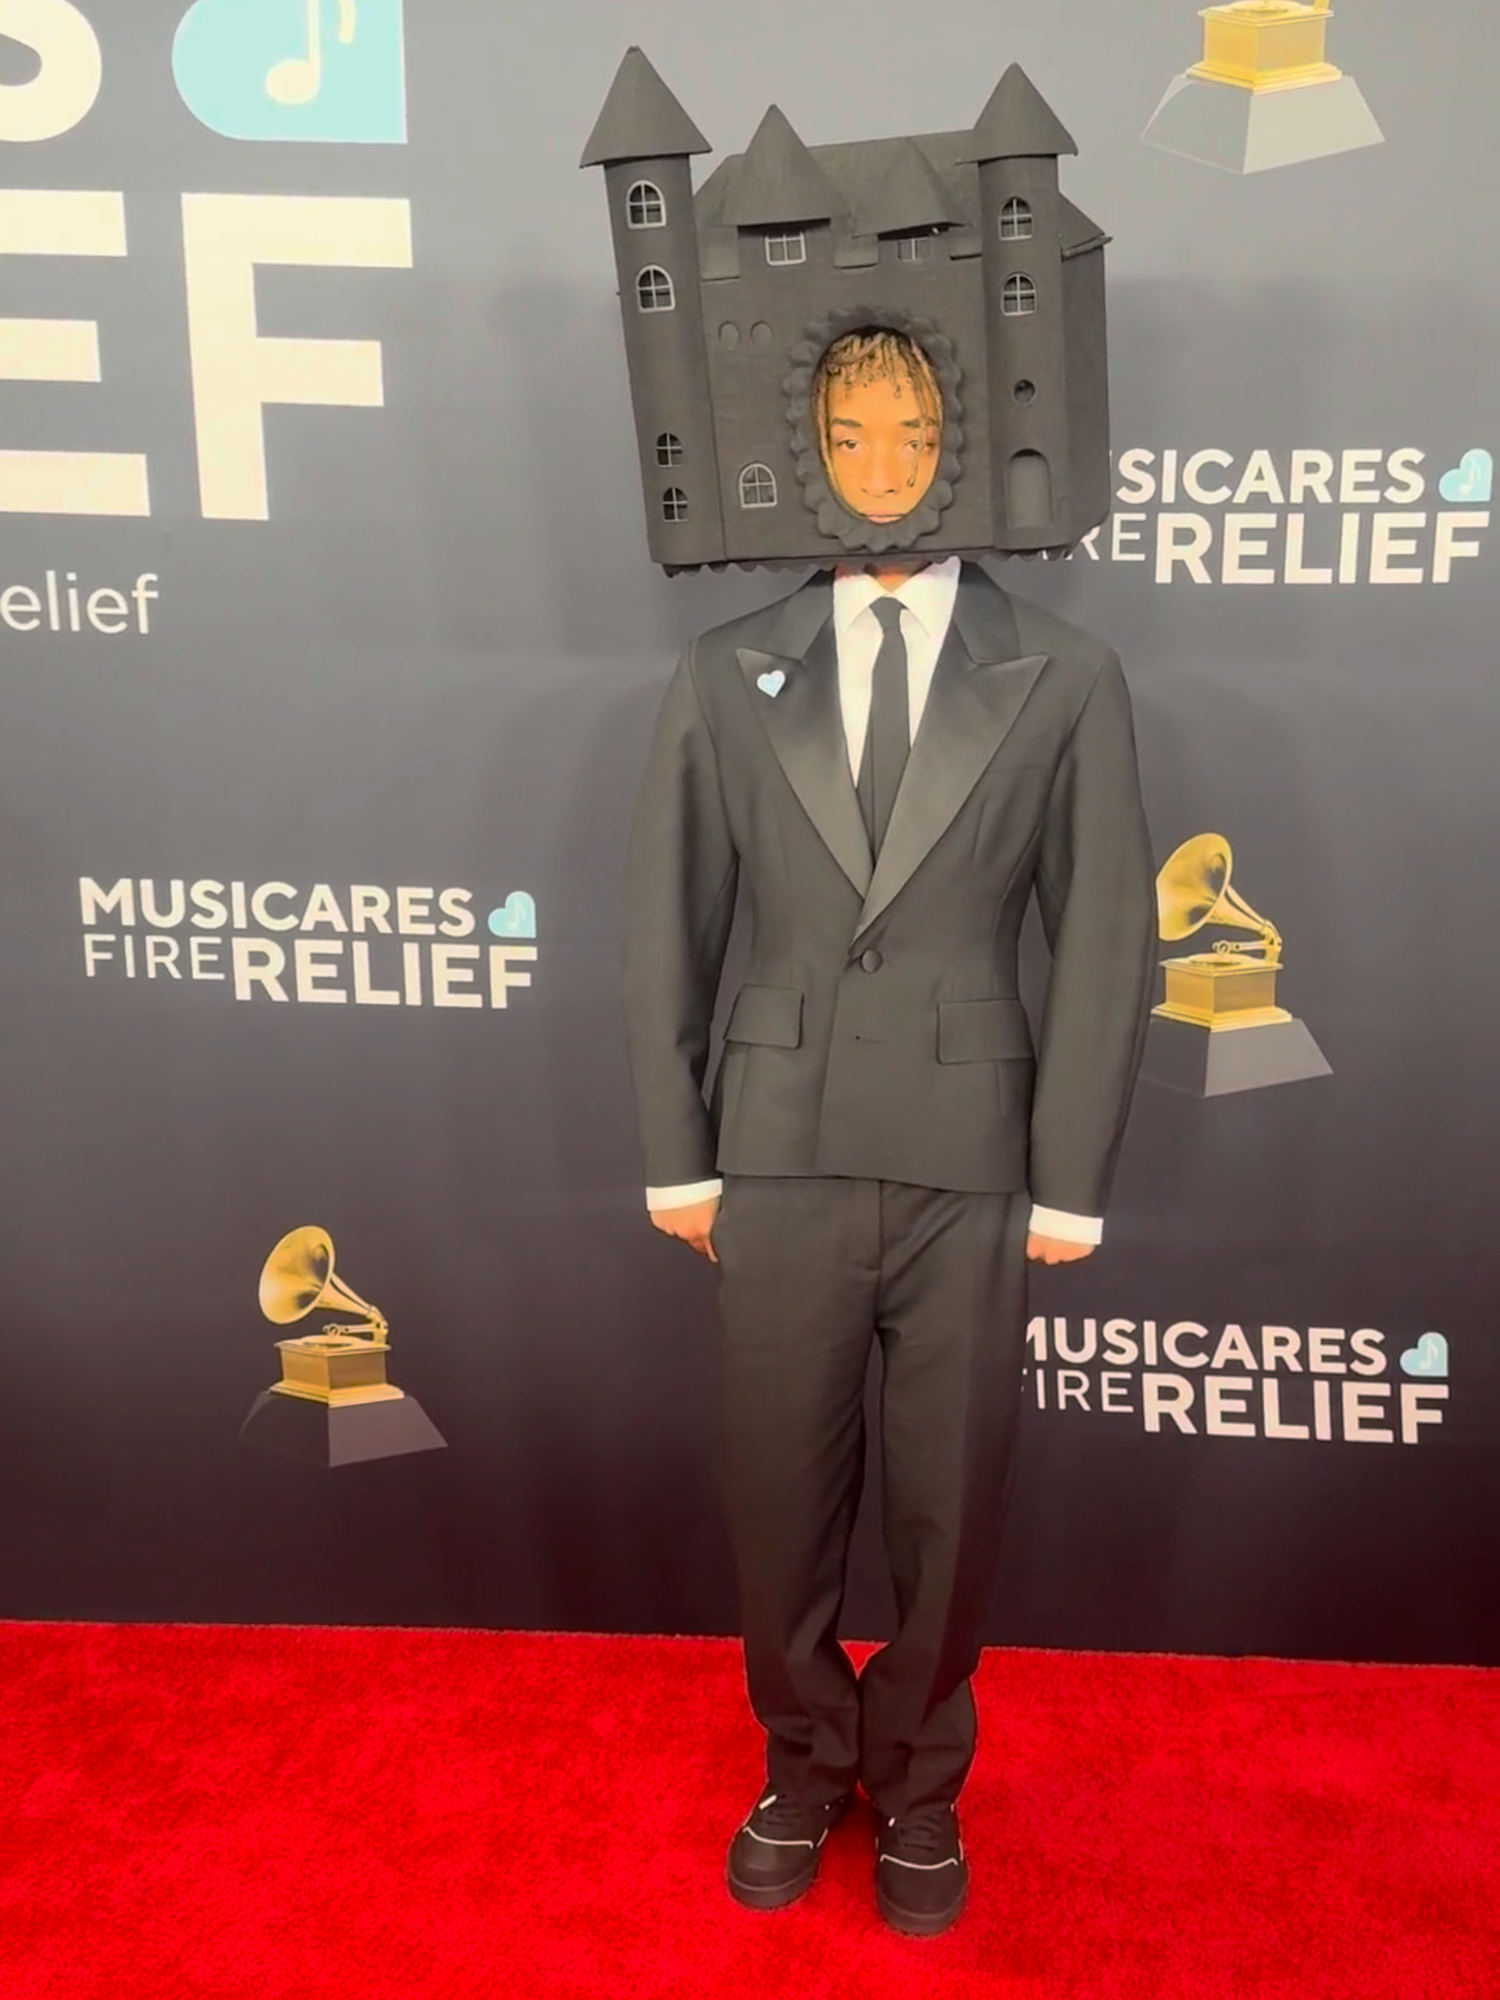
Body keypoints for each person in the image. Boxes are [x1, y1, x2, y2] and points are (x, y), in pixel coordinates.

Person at [622, 325, 1156, 1937]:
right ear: (807, 449)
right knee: (779, 1493)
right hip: (773, 1153)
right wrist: (677, 1151)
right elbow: (668, 925)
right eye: (848, 435)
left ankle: (918, 1782)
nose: (880, 464)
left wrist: (1069, 1180)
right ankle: (801, 1764)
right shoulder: (726, 669)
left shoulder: (1062, 672)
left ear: (961, 440)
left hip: (973, 1160)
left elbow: (1110, 936)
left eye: (908, 431)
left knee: (949, 1496)